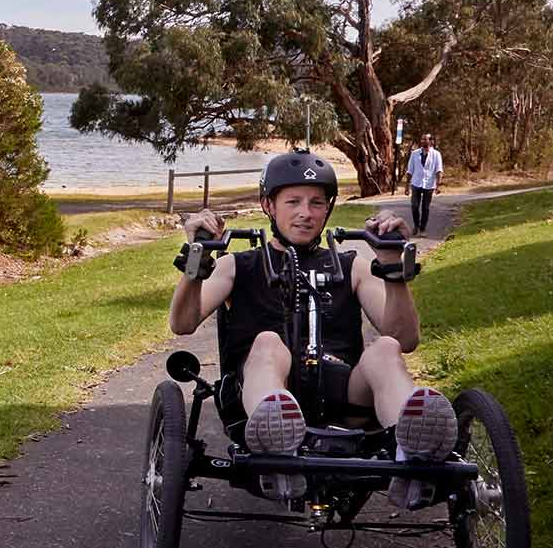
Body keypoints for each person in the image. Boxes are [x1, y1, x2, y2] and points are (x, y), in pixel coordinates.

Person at [168, 150, 458, 509]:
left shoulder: (352, 266)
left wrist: (391, 267)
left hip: (343, 397)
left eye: (316, 203)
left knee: (385, 348)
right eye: (293, 201)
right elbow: (182, 323)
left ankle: (410, 448)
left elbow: (406, 339)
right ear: (268, 205)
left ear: (328, 209)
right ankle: (277, 441)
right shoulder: (237, 265)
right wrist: (196, 263)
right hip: (261, 393)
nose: (305, 213)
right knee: (268, 342)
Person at [403, 131, 443, 237]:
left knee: (426, 208)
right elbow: (410, 170)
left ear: (431, 141)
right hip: (416, 183)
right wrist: (406, 186)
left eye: (425, 139)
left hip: (429, 184)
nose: (423, 141)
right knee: (414, 206)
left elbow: (439, 170)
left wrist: (438, 185)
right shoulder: (415, 153)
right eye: (422, 139)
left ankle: (423, 229)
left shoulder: (436, 155)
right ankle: (416, 225)